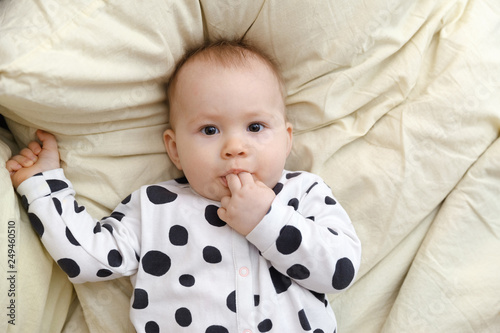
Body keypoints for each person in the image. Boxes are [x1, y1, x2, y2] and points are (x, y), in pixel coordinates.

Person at [6, 39, 361, 333]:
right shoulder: (155, 206)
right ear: (175, 149)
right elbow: (88, 259)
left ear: (286, 140)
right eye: (210, 130)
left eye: (255, 127)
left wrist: (267, 219)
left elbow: (340, 271)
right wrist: (41, 186)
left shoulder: (303, 193)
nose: (234, 146)